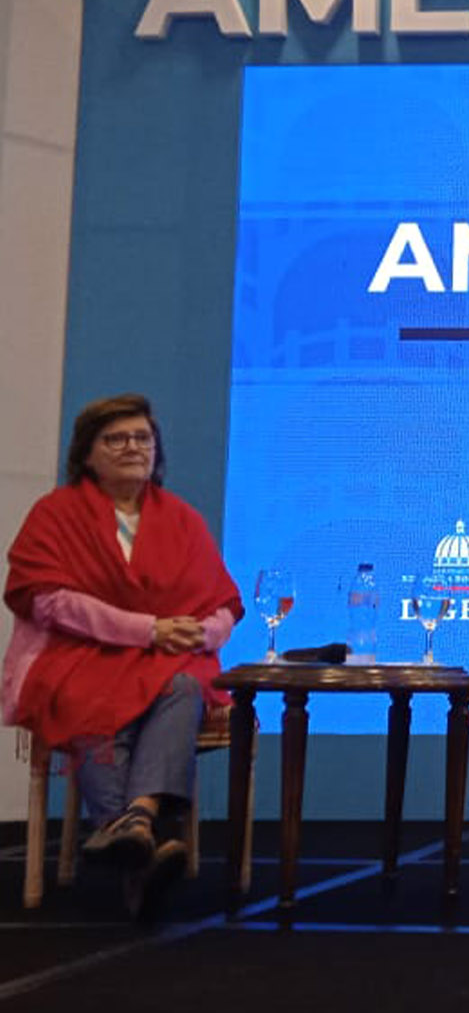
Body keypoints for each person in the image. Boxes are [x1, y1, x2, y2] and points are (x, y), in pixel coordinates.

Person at [3, 393, 242, 920]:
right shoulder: (56, 513)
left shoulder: (181, 518)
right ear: (87, 453)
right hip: (80, 654)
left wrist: (198, 633)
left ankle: (130, 821)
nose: (133, 447)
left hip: (170, 661)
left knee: (181, 686)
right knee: (86, 694)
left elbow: (223, 602)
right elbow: (46, 599)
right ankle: (143, 835)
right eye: (117, 438)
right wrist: (147, 629)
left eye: (143, 438)